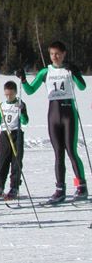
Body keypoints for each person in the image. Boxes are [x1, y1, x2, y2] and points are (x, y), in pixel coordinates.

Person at [17, 40, 87, 204]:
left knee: (71, 151)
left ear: (64, 54)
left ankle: (81, 186)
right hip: (53, 114)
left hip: (69, 112)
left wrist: (75, 72)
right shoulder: (44, 72)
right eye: (52, 54)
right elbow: (30, 90)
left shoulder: (68, 70)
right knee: (58, 153)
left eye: (57, 54)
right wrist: (23, 79)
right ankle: (60, 189)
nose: (54, 57)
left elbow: (82, 87)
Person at [0, 81, 29, 200]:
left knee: (16, 162)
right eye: (6, 94)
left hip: (16, 134)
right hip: (4, 135)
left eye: (11, 94)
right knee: (2, 162)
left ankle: (14, 187)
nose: (8, 97)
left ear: (16, 93)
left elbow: (25, 121)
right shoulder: (2, 105)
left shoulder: (20, 104)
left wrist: (22, 111)